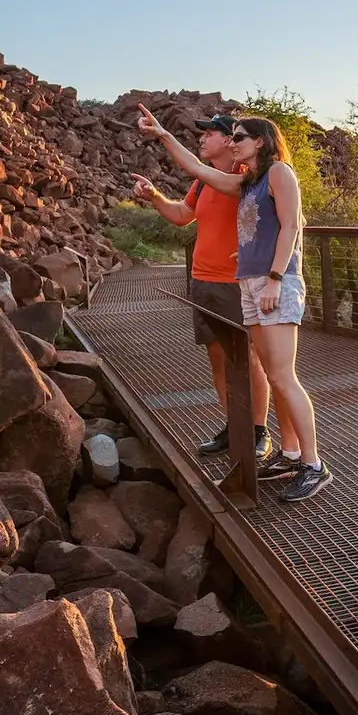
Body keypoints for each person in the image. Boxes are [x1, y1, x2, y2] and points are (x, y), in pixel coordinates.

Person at [137, 105, 331, 501]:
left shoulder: (279, 172)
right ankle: (291, 455)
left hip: (274, 284)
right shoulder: (247, 182)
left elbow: (292, 227)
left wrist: (274, 278)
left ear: (260, 141)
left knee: (282, 376)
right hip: (250, 284)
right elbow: (197, 169)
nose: (233, 143)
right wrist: (162, 134)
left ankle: (314, 465)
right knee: (273, 373)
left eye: (239, 137)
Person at [129, 113, 297, 461]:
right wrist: (154, 195)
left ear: (229, 140)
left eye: (211, 133)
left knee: (251, 361)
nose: (203, 139)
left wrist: (273, 274)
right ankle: (235, 426)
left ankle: (259, 431)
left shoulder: (251, 179)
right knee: (219, 359)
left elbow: (287, 224)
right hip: (204, 281)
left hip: (239, 283)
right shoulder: (203, 183)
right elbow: (181, 215)